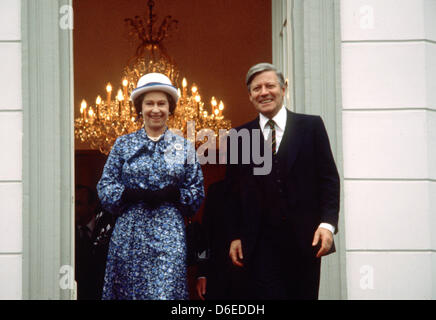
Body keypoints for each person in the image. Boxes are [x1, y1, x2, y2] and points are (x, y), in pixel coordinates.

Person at [226, 63, 340, 300]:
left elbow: (328, 179)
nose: (264, 92)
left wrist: (327, 225)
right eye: (257, 88)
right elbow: (232, 192)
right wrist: (234, 235)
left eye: (270, 85)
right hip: (258, 246)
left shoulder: (311, 127)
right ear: (250, 96)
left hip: (305, 241)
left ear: (284, 88)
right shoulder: (239, 136)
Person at [97, 73, 205, 300]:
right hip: (130, 235)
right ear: (140, 108)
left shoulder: (184, 147)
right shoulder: (123, 145)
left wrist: (176, 194)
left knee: (165, 293)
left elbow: (197, 191)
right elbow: (105, 187)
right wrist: (128, 193)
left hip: (169, 235)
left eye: (161, 103)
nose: (155, 109)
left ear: (170, 108)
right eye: (149, 103)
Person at [195, 179, 244, 300]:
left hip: (252, 279)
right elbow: (205, 236)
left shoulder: (263, 189)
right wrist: (201, 273)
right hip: (218, 278)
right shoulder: (216, 190)